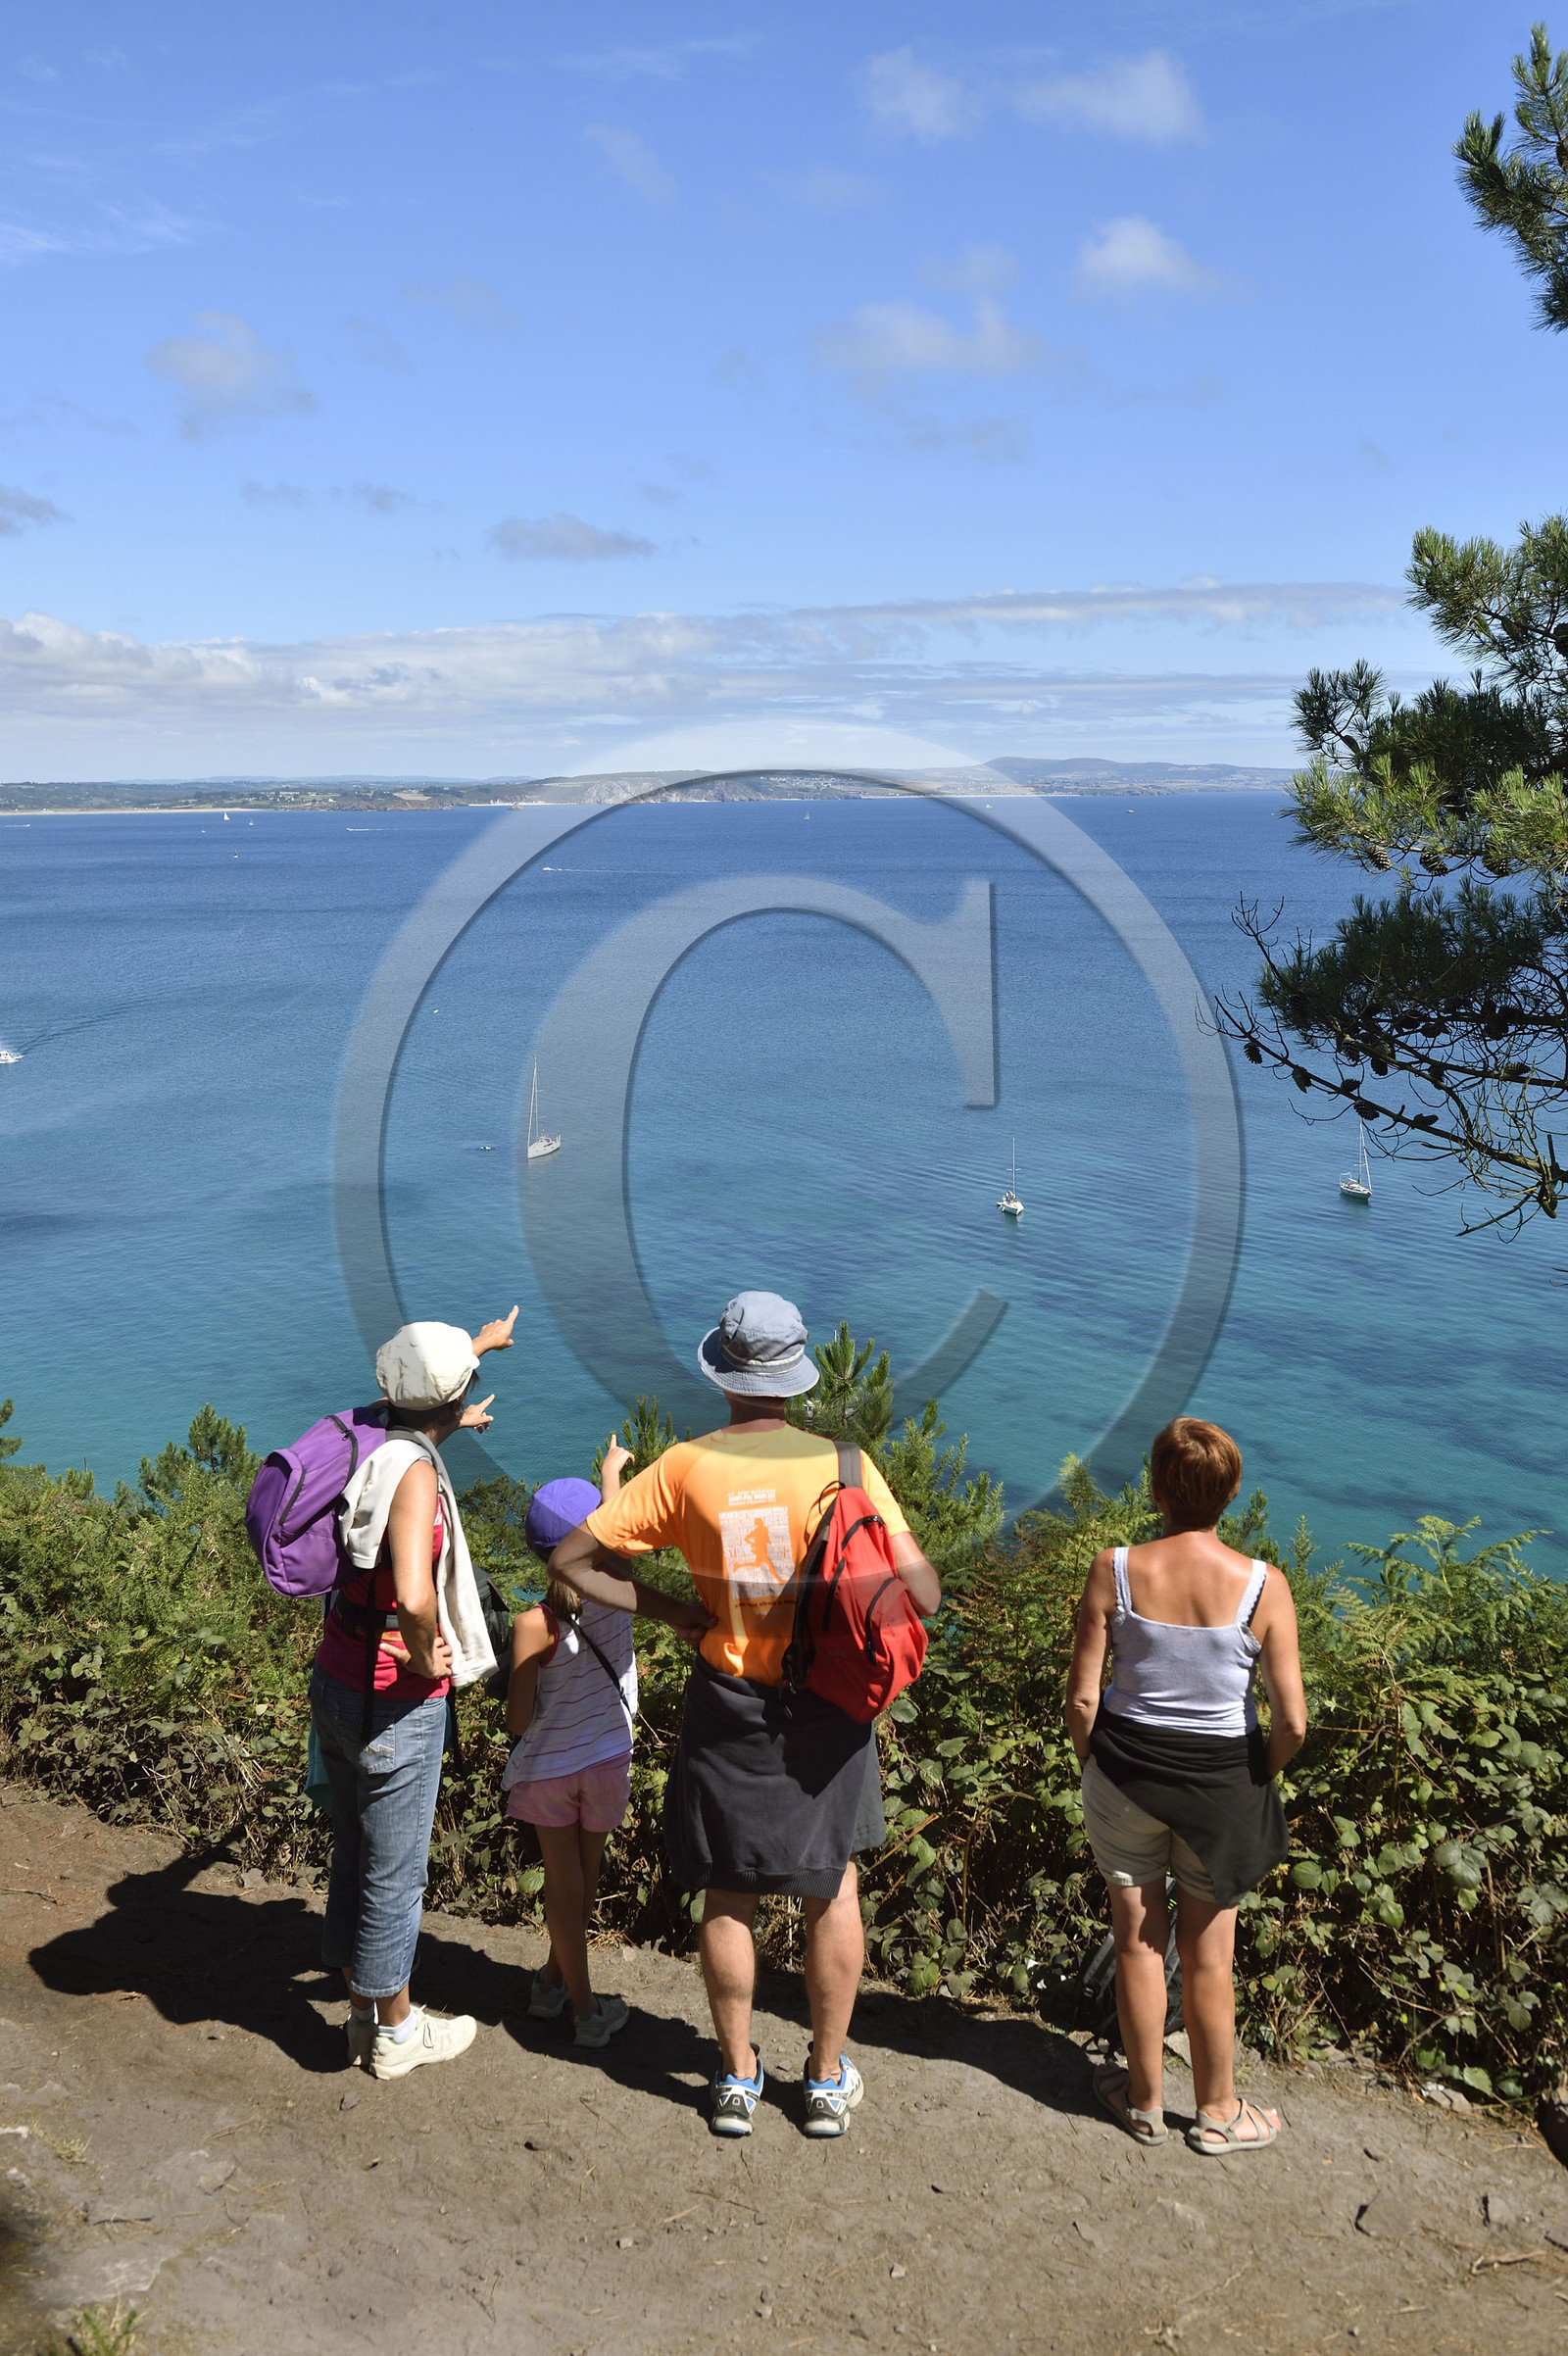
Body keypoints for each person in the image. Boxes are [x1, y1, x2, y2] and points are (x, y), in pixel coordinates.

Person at [549, 1291, 942, 2140]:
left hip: (729, 1702)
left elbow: (574, 1560)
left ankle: (735, 2077)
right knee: (832, 1887)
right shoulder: (845, 1465)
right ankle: (825, 2081)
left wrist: (674, 1613)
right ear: (797, 1375)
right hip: (830, 1708)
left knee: (729, 1891)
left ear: (724, 1376)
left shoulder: (686, 1468)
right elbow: (925, 1593)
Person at [1065, 1416, 1308, 2156]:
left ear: (1156, 1490)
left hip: (1124, 1779)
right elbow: (1292, 1722)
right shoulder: (1264, 1586)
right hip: (1222, 1792)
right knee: (1210, 1958)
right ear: (1231, 1494)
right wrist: (1253, 1777)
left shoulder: (1113, 1569)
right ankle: (1218, 2114)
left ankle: (1143, 2105)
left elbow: (1083, 1701)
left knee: (1138, 1945)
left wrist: (1095, 1766)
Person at [312, 1312, 514, 2082]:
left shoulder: (370, 1437)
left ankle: (361, 2011)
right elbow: (415, 1592)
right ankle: (396, 2032)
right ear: (451, 1398)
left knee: (355, 1849)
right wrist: (430, 1654)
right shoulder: (418, 1475)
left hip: (337, 1676)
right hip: (392, 1697)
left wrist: (476, 1351)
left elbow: (417, 1432)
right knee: (396, 1872)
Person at [503, 1442, 694, 2049]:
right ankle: (558, 1989)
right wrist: (612, 1471)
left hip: (550, 1768)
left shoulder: (534, 1625)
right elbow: (618, 1532)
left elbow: (517, 1720)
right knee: (583, 1882)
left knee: (564, 1886)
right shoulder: (621, 1588)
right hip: (607, 1757)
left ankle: (576, 2004)